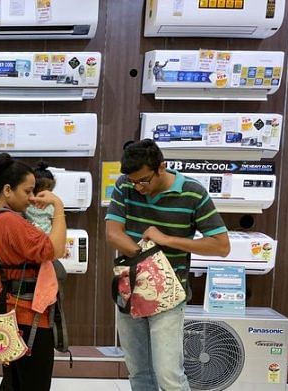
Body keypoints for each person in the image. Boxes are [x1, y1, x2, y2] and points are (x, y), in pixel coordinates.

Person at [105, 139, 230, 390]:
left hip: (170, 294)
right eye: (133, 181)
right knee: (139, 372)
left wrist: (166, 240)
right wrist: (149, 259)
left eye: (143, 180)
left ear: (162, 167)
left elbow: (221, 245)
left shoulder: (192, 193)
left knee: (169, 375)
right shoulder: (125, 185)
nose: (137, 187)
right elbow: (113, 233)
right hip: (130, 290)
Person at [0, 153, 67, 391]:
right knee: (32, 383)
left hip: (8, 310)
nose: (31, 198)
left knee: (13, 382)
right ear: (8, 190)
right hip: (29, 316)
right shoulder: (10, 221)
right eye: (27, 191)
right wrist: (58, 206)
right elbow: (54, 249)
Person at [25, 162, 57, 234]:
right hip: (31, 238)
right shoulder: (25, 204)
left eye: (47, 190)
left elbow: (55, 224)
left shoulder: (53, 205)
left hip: (48, 239)